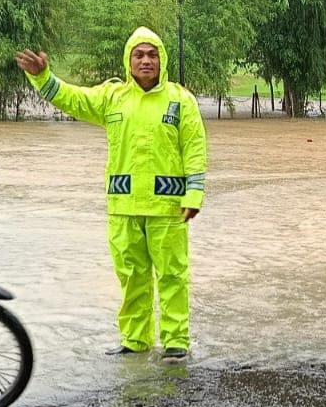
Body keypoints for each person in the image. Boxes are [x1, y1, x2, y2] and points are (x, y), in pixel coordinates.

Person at [16, 27, 207, 360]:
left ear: (161, 60)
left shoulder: (180, 100)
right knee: (131, 277)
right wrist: (42, 76)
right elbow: (72, 98)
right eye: (139, 54)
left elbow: (194, 148)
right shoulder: (112, 98)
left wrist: (194, 195)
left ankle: (176, 342)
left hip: (168, 207)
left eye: (152, 54)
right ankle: (135, 341)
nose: (146, 60)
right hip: (123, 206)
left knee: (173, 276)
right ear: (128, 60)